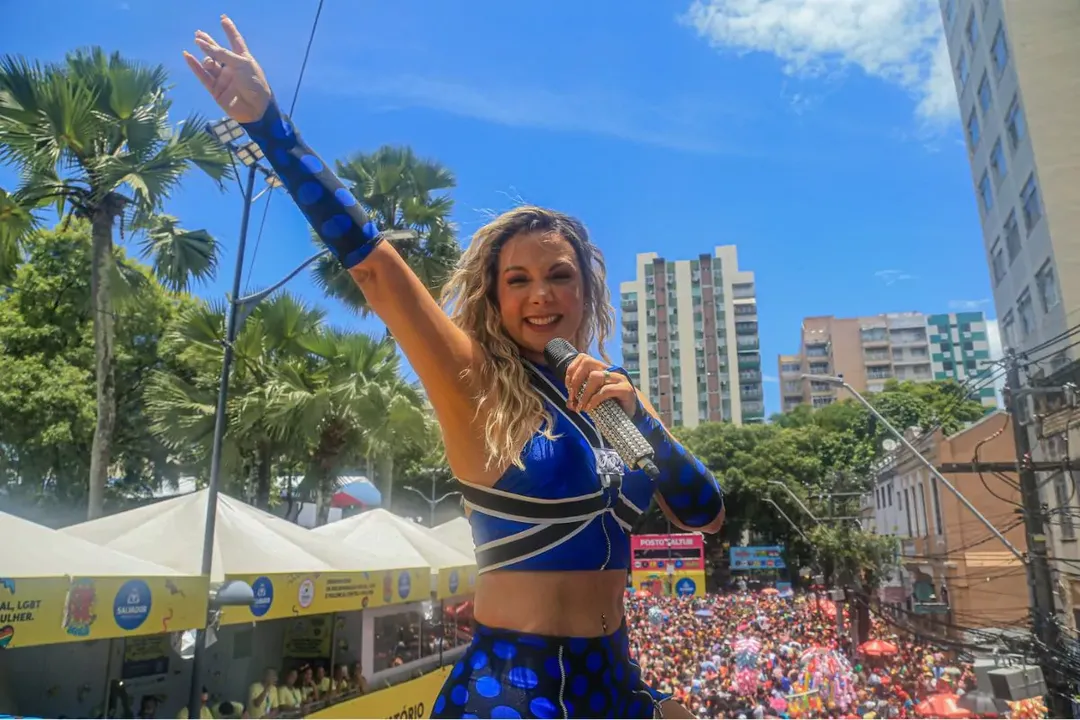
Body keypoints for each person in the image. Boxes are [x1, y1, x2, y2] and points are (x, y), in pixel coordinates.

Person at [184, 16, 725, 719]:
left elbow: (706, 514)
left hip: (614, 678)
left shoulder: (613, 399)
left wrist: (640, 418)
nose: (540, 295)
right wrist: (270, 127)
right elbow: (376, 268)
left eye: (559, 276)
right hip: (514, 686)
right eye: (518, 280)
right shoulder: (476, 383)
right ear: (493, 299)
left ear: (586, 292)